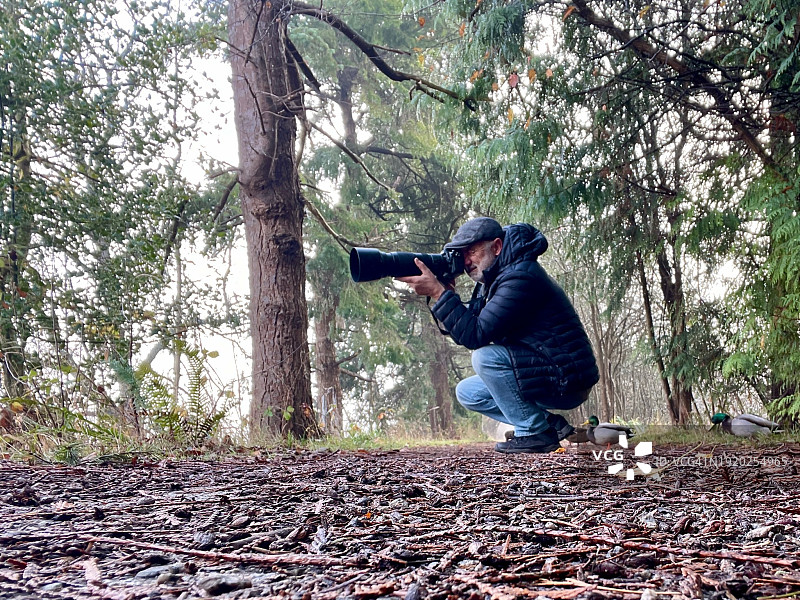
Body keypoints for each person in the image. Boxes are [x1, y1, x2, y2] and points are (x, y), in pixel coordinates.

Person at [397, 217, 599, 453]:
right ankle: (546, 424)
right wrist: (447, 295)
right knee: (468, 393)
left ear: (497, 247)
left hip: (567, 377)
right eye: (463, 255)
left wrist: (439, 294)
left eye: (472, 251)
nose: (466, 261)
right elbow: (468, 329)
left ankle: (534, 433)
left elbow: (476, 336)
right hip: (547, 371)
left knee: (485, 358)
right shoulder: (493, 281)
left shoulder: (521, 277)